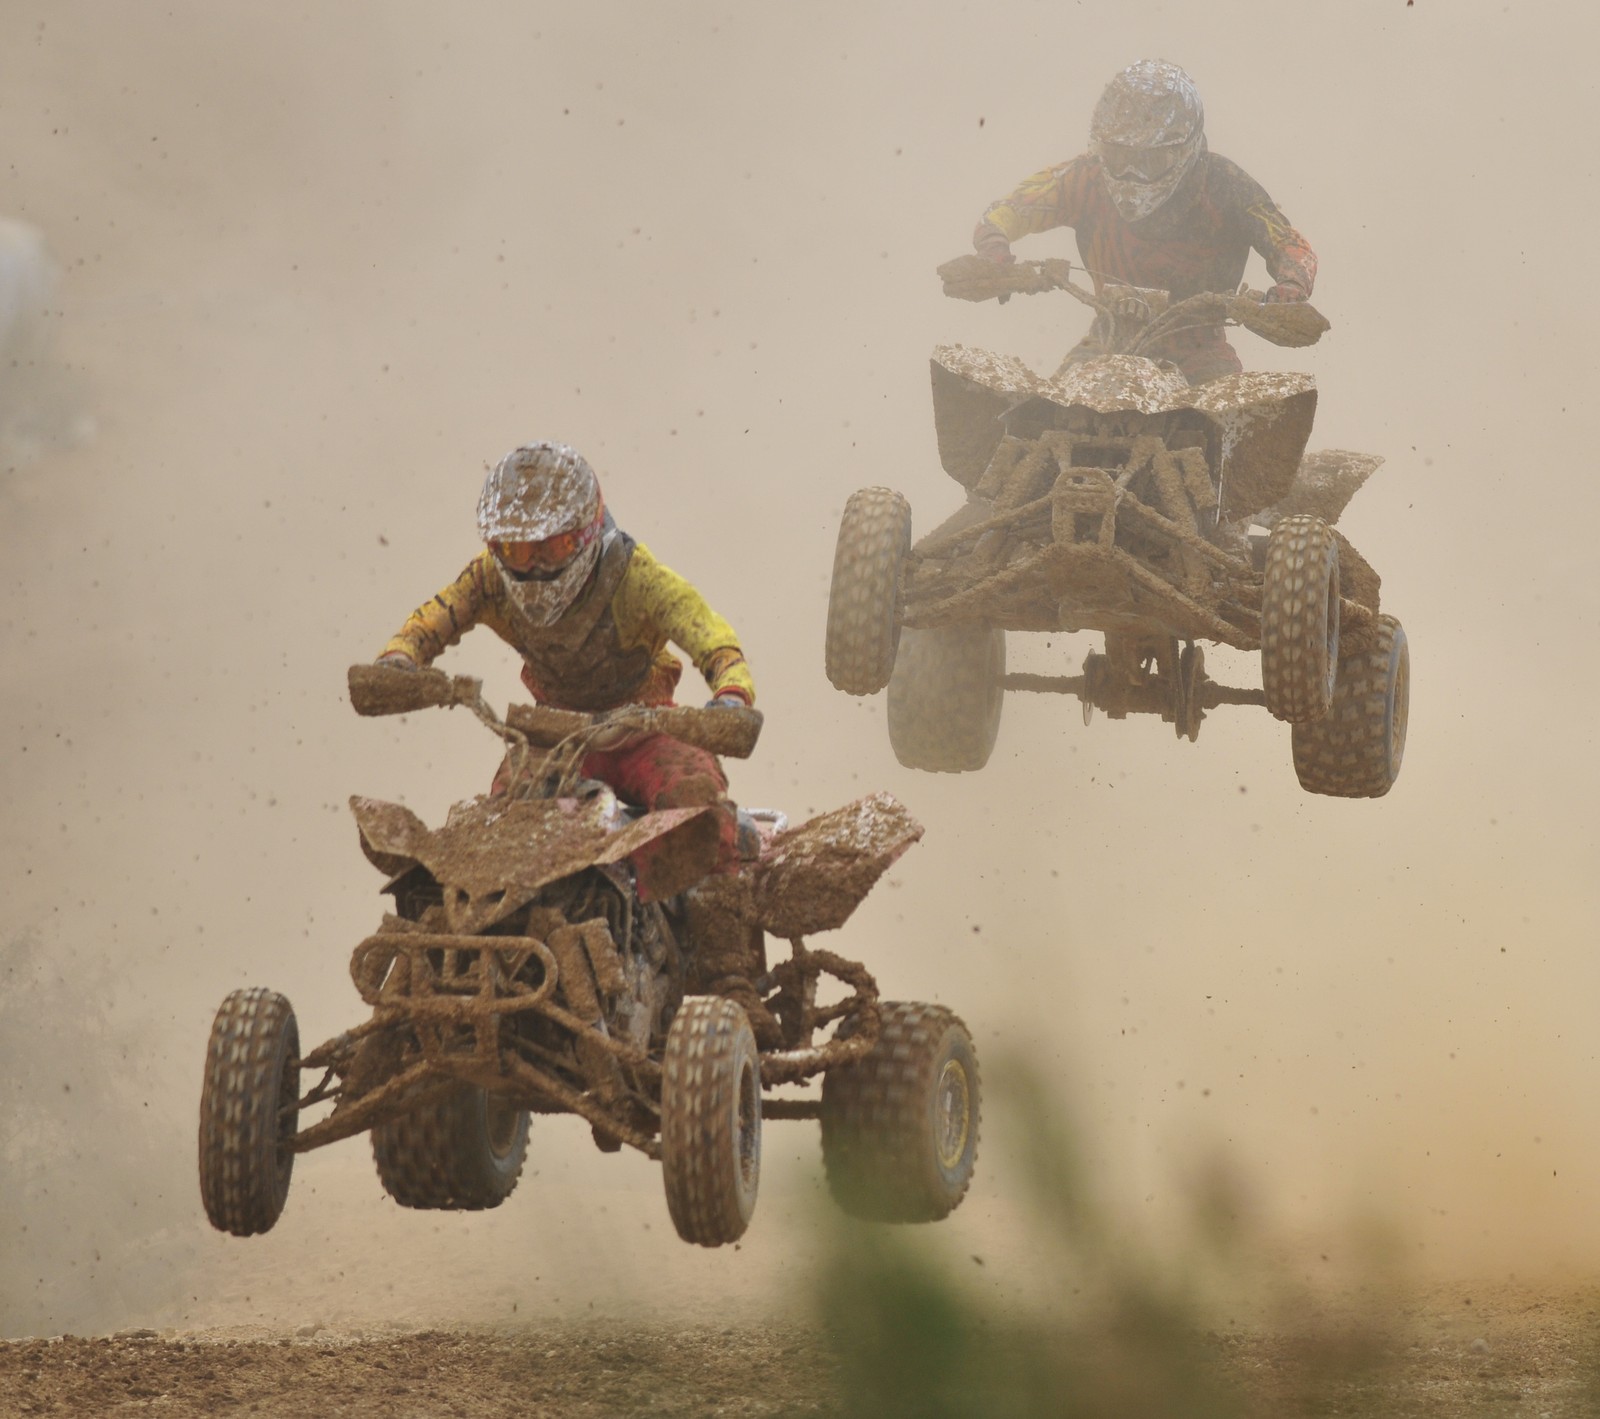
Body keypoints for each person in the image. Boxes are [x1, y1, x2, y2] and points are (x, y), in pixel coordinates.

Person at [375, 440, 755, 899]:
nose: (534, 566)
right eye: (516, 549)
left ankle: (721, 961)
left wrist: (731, 695)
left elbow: (711, 637)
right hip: (551, 742)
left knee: (698, 809)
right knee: (492, 833)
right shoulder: (487, 579)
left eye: (554, 546)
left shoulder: (637, 576)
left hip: (648, 732)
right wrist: (398, 662)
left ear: (587, 532)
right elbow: (431, 621)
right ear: (495, 547)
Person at [971, 59, 1318, 384]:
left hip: (1200, 353)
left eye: (1150, 160)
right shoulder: (1086, 177)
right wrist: (993, 251)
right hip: (1106, 343)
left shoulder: (1226, 185)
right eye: (1119, 157)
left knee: (1246, 425)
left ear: (1186, 150)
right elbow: (1011, 208)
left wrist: (1290, 288)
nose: (1132, 174)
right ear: (1101, 149)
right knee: (1035, 411)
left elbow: (1288, 242)